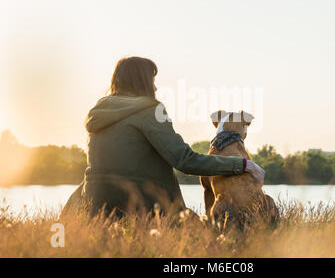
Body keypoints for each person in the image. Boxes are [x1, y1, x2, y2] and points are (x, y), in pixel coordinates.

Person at [64, 56, 265, 218]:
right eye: (152, 81)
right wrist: (242, 164)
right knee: (204, 236)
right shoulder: (150, 111)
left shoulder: (98, 113)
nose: (156, 88)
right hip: (143, 206)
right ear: (142, 83)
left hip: (94, 207)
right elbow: (186, 160)